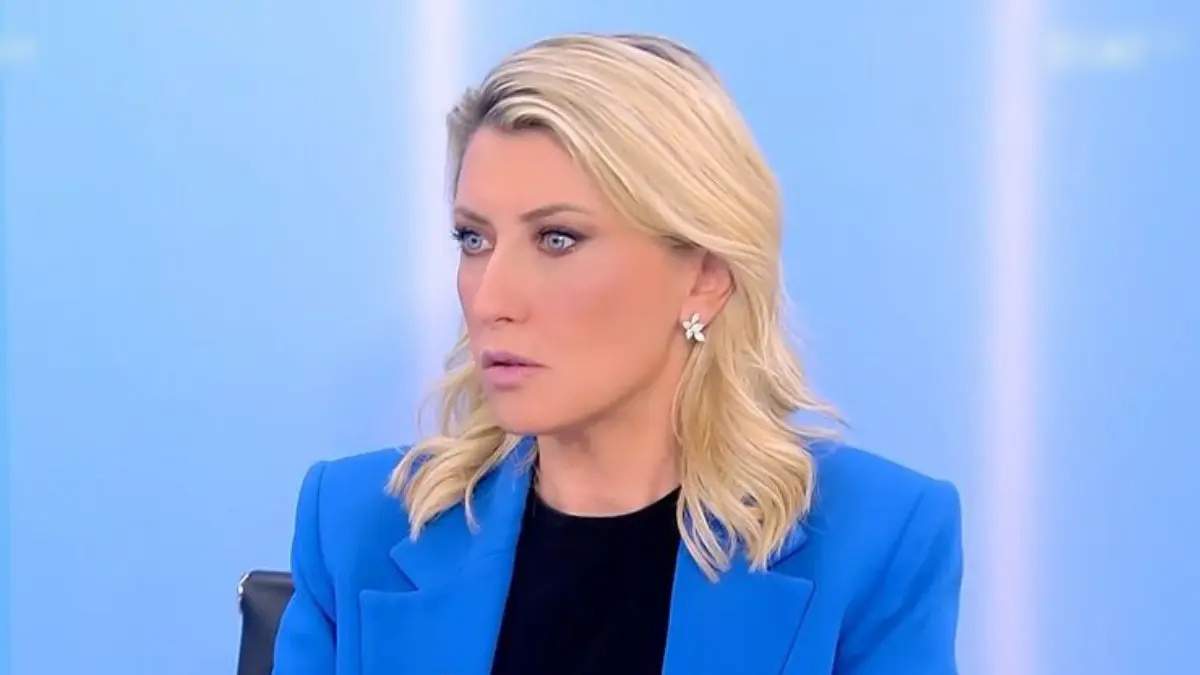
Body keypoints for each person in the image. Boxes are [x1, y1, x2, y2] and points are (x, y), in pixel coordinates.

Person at [272, 32, 963, 675]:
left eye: (558, 239)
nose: (490, 298)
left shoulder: (876, 541)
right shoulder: (355, 526)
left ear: (704, 276)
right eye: (474, 239)